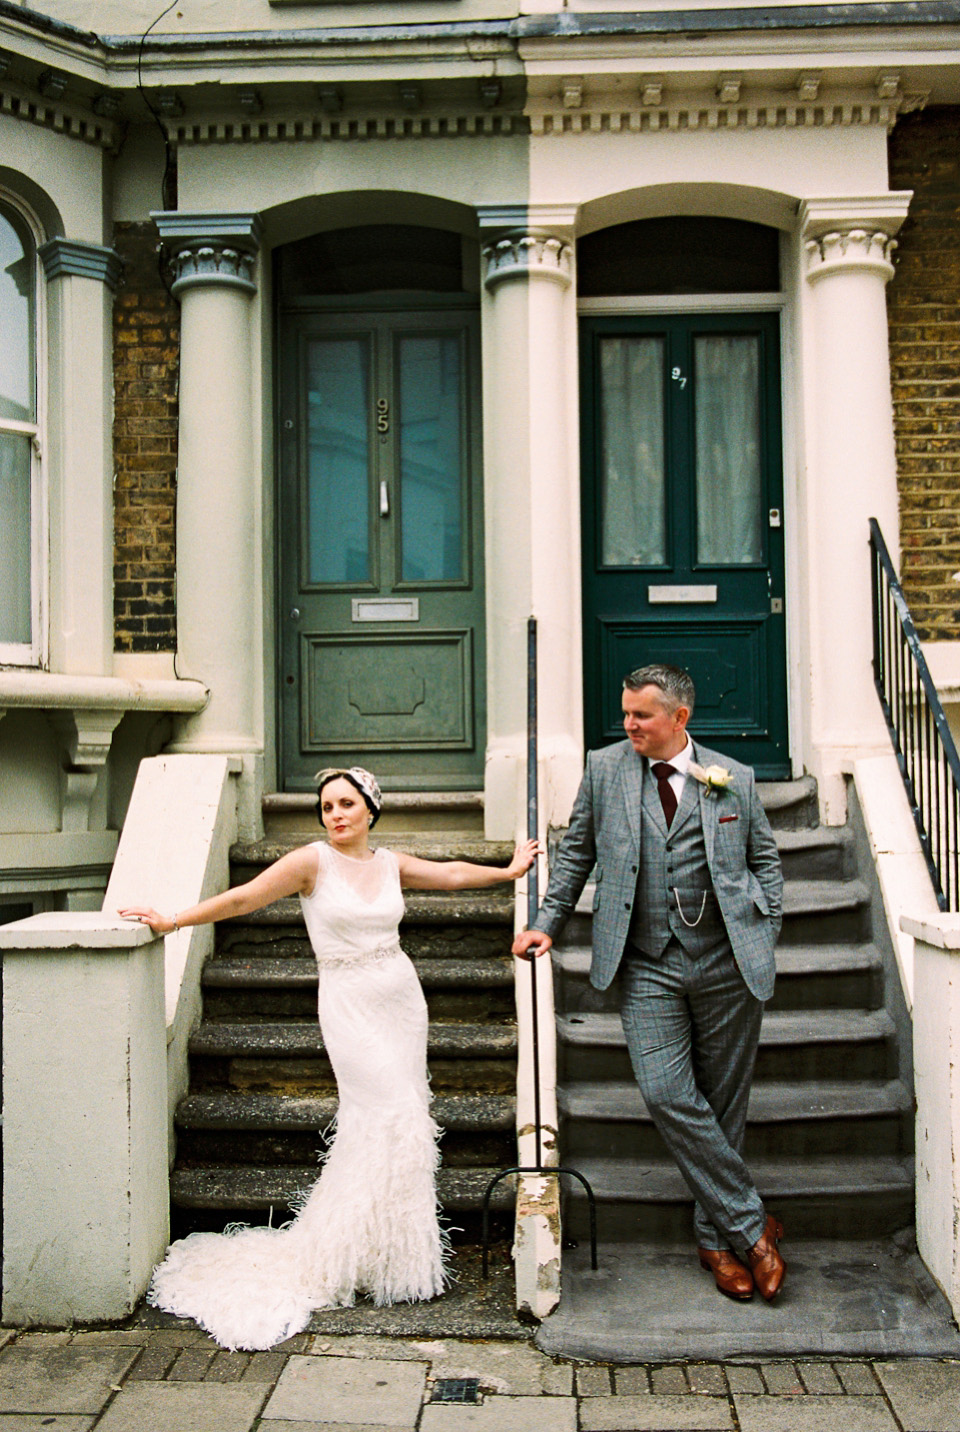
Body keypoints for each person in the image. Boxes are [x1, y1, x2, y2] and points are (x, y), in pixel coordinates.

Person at [120, 765, 538, 1350]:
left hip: (399, 995)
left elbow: (448, 874)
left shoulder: (389, 863)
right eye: (326, 807)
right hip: (347, 1002)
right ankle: (339, 1254)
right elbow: (244, 897)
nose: (335, 814)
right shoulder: (310, 862)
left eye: (346, 803)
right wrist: (174, 919)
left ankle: (392, 1258)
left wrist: (508, 870)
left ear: (370, 808)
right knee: (384, 1113)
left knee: (408, 1119)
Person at [512, 665, 786, 1302]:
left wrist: (763, 926)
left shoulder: (733, 777)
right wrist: (546, 920)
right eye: (626, 713)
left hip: (727, 962)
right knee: (667, 1092)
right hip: (646, 962)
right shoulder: (606, 770)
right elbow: (578, 850)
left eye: (641, 715)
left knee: (723, 1105)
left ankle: (716, 1242)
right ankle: (753, 1226)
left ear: (680, 719)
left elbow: (764, 861)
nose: (628, 724)